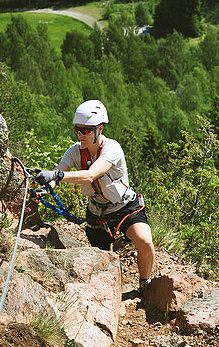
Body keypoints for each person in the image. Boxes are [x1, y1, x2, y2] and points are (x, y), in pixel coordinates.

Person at [34, 100, 156, 294]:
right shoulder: (75, 151)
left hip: (124, 206)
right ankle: (111, 294)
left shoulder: (111, 148)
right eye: (78, 130)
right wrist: (45, 188)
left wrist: (56, 176)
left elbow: (91, 174)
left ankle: (145, 283)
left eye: (86, 130)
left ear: (100, 128)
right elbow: (58, 172)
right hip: (97, 210)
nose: (81, 134)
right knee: (102, 258)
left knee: (145, 243)